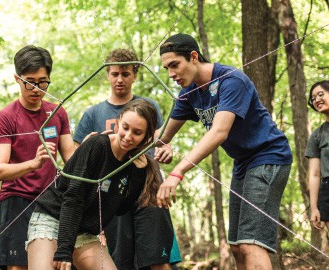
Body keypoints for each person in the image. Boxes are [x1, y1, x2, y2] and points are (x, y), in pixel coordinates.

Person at [157, 33, 293, 270]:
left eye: (174, 65)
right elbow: (161, 136)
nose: (171, 74)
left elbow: (219, 132)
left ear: (193, 56)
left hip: (269, 157)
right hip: (243, 164)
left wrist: (178, 171)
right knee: (237, 247)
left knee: (252, 244)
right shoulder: (188, 93)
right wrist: (121, 136)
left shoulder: (231, 80)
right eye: (166, 68)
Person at [73, 48, 182, 270]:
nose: (120, 79)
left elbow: (161, 141)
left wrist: (167, 151)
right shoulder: (93, 114)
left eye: (126, 74)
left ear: (135, 74)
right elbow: (76, 162)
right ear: (107, 75)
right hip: (111, 195)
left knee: (157, 259)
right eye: (115, 74)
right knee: (121, 259)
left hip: (147, 188)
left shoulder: (148, 107)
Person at [26, 99, 164, 270]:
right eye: (125, 127)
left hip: (84, 231)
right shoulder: (98, 145)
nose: (128, 137)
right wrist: (64, 249)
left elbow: (120, 209)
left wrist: (138, 175)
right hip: (53, 217)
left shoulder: (135, 163)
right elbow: (73, 197)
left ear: (146, 136)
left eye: (137, 132)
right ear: (118, 122)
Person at [0, 45, 75, 270]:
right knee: (19, 266)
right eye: (30, 81)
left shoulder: (57, 113)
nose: (37, 88)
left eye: (43, 81)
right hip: (17, 200)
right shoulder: (5, 118)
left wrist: (93, 148)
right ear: (17, 79)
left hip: (52, 202)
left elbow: (71, 160)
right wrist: (33, 164)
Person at [305, 80, 329, 234]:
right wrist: (314, 208)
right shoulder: (317, 135)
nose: (317, 100)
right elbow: (314, 174)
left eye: (321, 94)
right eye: (313, 98)